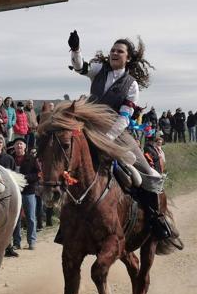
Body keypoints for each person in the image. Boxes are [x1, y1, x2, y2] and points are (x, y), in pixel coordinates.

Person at [68, 31, 171, 239]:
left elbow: (124, 117)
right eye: (113, 50)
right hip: (89, 127)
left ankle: (157, 219)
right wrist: (75, 50)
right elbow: (80, 67)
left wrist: (108, 138)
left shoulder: (131, 84)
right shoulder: (99, 70)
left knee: (149, 173)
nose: (115, 53)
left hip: (117, 133)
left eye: (120, 51)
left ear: (128, 57)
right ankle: (66, 220)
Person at [11, 138, 40, 250]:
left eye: (21, 144)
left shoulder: (32, 159)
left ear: (25, 146)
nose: (19, 146)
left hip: (29, 192)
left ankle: (31, 241)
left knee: (31, 217)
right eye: (17, 144)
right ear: (14, 147)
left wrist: (25, 178)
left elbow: (38, 174)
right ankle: (16, 242)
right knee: (16, 218)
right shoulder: (11, 158)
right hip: (14, 192)